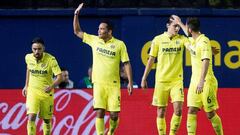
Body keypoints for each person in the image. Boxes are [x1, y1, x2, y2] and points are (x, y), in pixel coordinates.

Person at [73, 3, 133, 135]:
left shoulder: (119, 45)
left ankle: (110, 132)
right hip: (98, 83)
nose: (99, 31)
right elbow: (77, 31)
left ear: (109, 31)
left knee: (114, 115)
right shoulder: (94, 40)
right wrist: (76, 14)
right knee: (99, 111)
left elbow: (127, 63)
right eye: (99, 28)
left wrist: (129, 82)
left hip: (113, 84)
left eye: (102, 29)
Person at [171, 15, 224, 135]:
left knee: (210, 113)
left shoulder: (204, 41)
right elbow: (187, 32)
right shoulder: (193, 40)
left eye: (187, 28)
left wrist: (201, 81)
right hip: (194, 82)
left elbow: (206, 61)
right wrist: (179, 23)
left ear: (190, 29)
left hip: (206, 81)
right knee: (191, 110)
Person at [141, 16, 190, 135]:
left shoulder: (182, 39)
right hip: (161, 81)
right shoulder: (158, 39)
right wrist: (144, 78)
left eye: (178, 26)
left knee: (178, 110)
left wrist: (181, 23)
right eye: (175, 26)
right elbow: (151, 59)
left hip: (176, 81)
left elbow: (191, 42)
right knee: (161, 111)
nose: (177, 28)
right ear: (168, 26)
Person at [22, 37, 62, 135]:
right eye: (34, 49)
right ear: (32, 49)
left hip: (46, 93)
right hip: (33, 91)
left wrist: (51, 86)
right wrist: (26, 85)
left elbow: (59, 77)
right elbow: (28, 69)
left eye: (39, 49)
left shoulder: (51, 60)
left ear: (43, 48)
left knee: (47, 120)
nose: (37, 51)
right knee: (31, 116)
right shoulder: (28, 57)